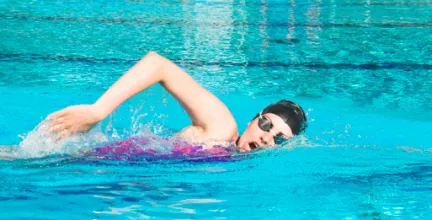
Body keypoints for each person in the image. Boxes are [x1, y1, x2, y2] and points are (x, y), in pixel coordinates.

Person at [47, 52, 307, 153]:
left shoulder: (230, 156)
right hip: (83, 157)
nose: (266, 138)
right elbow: (158, 65)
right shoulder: (222, 128)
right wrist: (97, 111)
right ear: (253, 119)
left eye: (280, 140)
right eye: (265, 124)